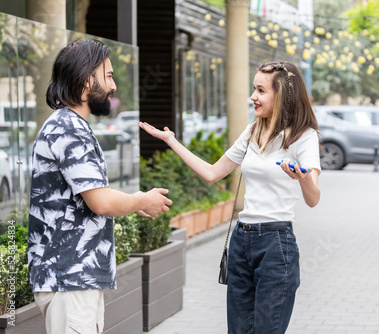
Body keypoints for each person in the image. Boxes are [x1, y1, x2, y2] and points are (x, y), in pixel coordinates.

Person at [139, 60, 321, 333]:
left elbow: (313, 197)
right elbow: (213, 173)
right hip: (241, 240)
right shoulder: (252, 132)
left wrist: (304, 177)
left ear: (281, 95)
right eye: (253, 89)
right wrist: (171, 141)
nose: (253, 97)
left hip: (276, 245)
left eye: (260, 90)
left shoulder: (302, 137)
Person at [28, 39, 173, 334]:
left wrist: (136, 202)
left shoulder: (69, 125)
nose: (114, 86)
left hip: (74, 276)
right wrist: (141, 201)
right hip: (69, 276)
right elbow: (101, 201)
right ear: (85, 82)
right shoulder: (68, 129)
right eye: (108, 75)